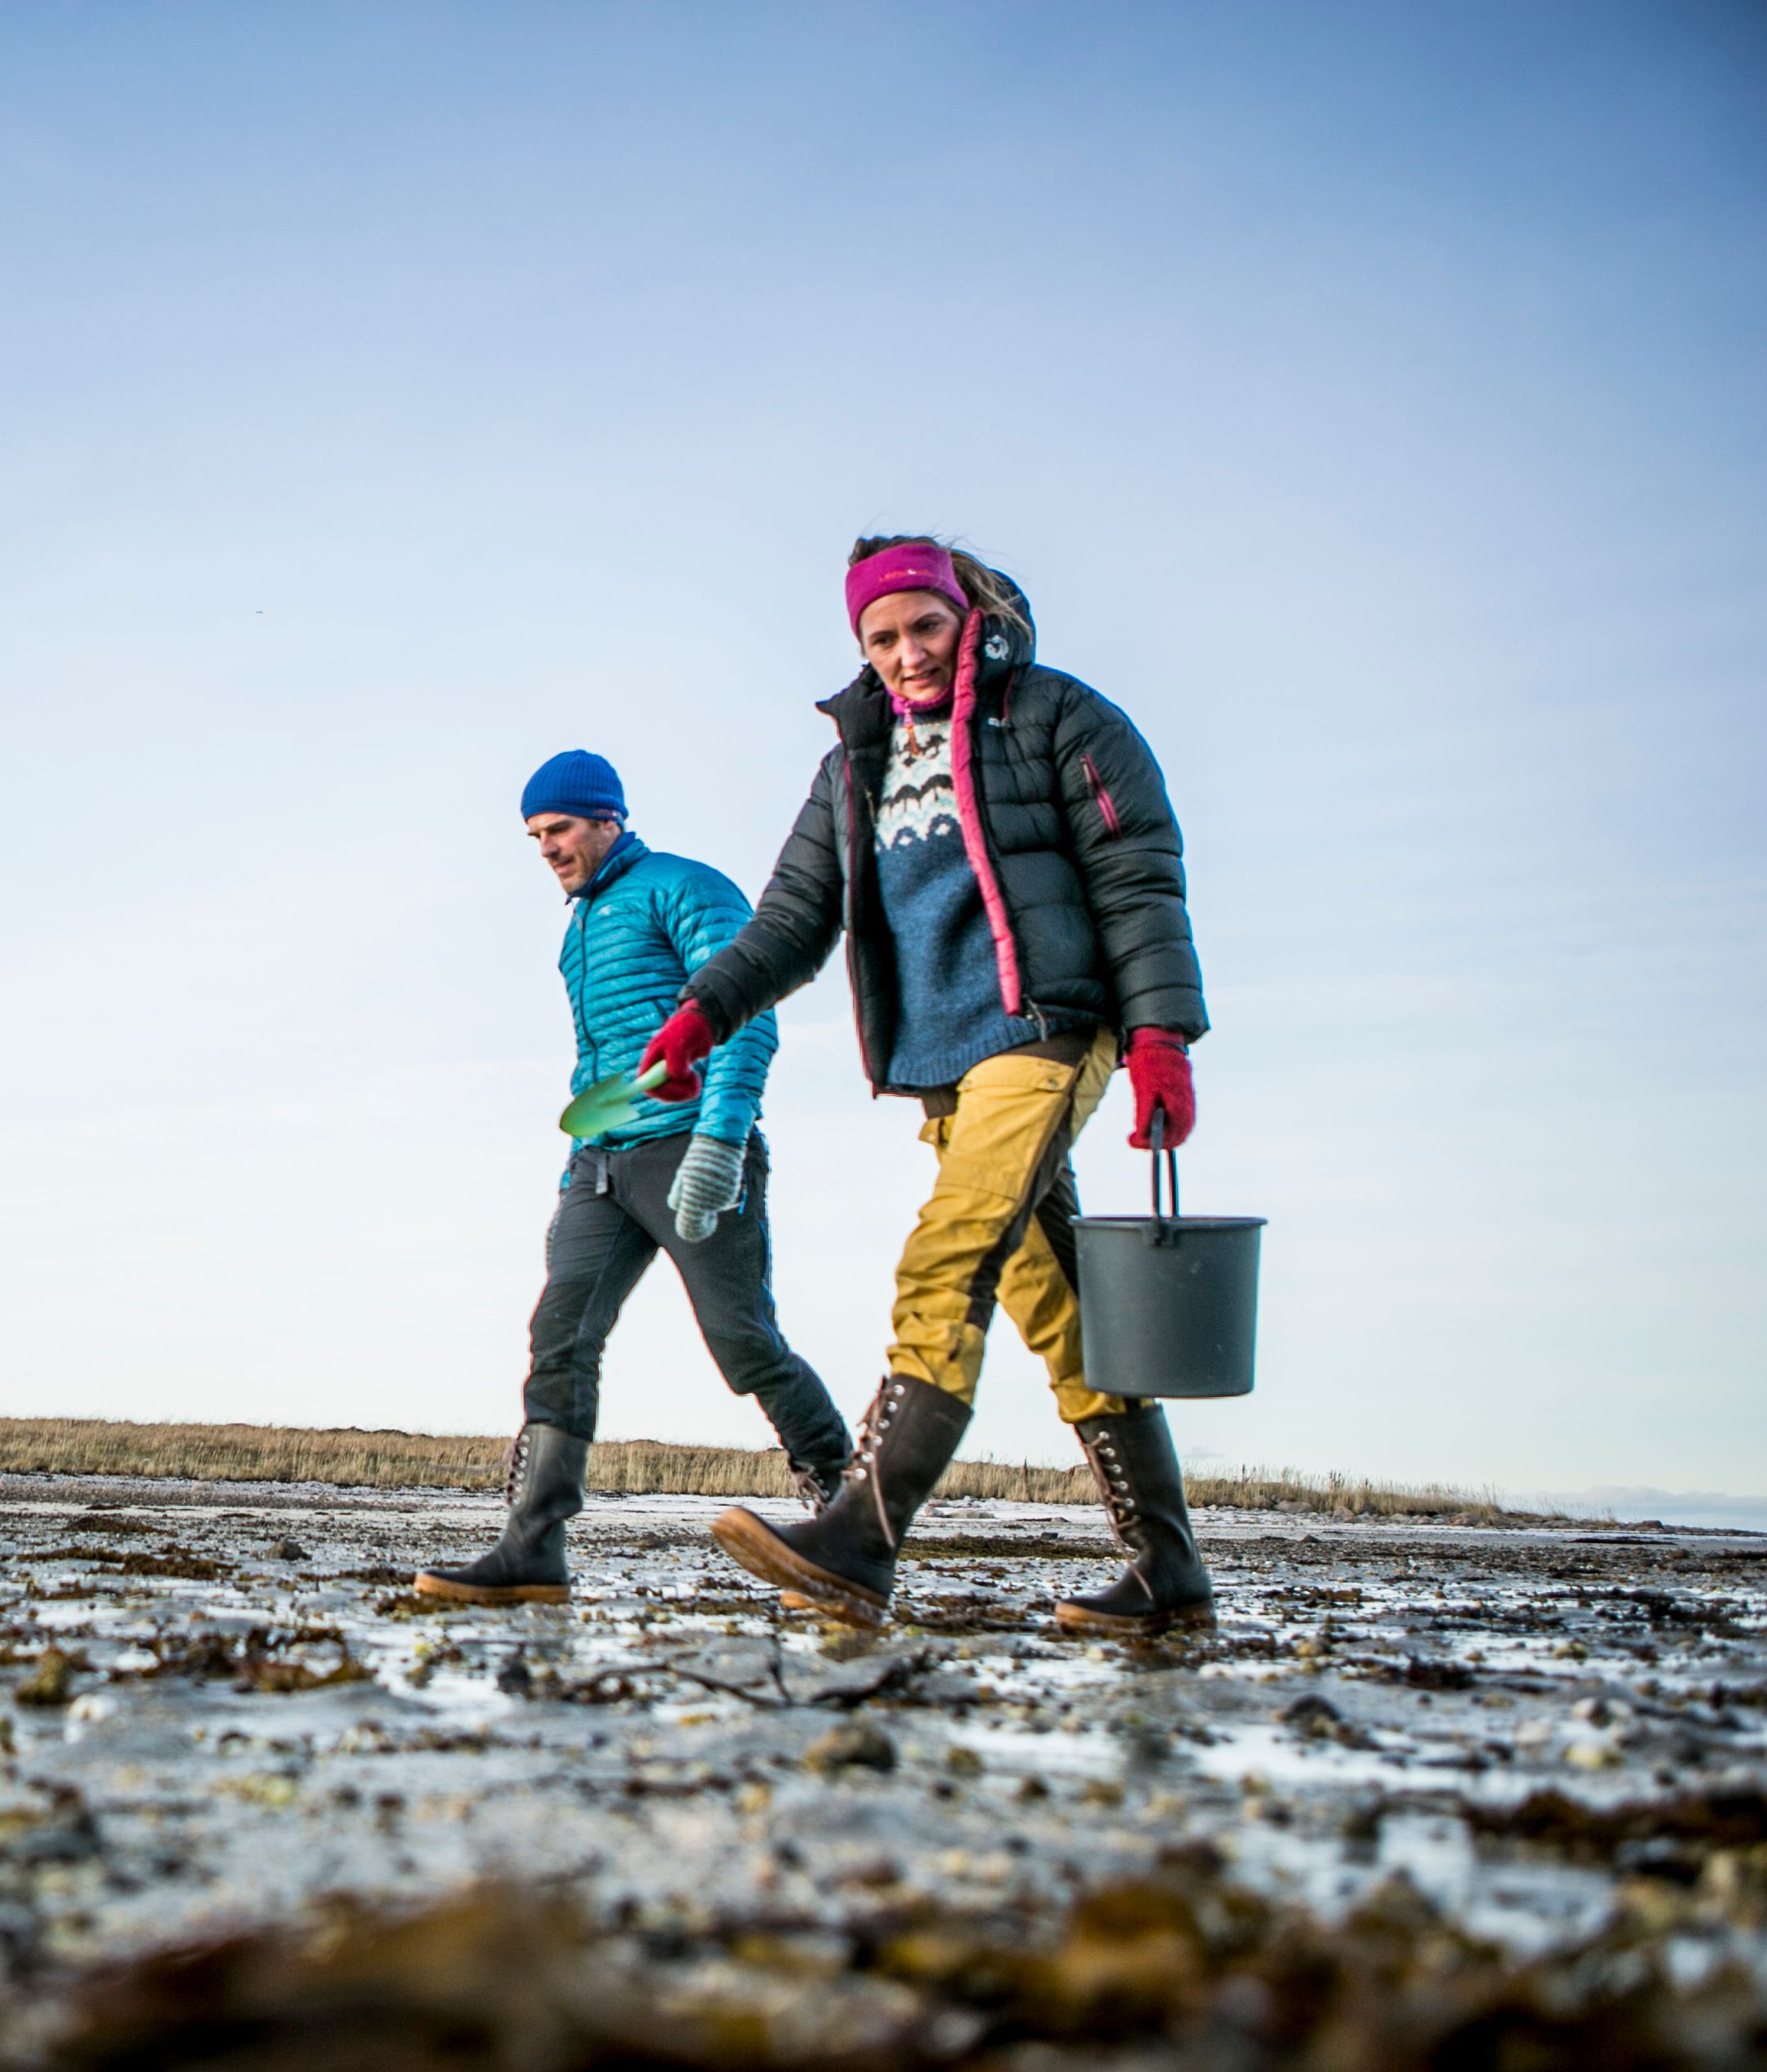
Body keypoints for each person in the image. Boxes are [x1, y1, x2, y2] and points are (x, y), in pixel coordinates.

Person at [635, 539, 1216, 1638]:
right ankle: (1167, 1572)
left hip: (1045, 1033)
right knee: (1061, 1311)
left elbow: (1137, 873)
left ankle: (861, 1535)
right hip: (944, 1069)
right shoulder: (853, 763)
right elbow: (793, 919)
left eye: (925, 628)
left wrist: (1159, 1037)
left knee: (946, 1256)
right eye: (881, 637)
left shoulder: (1055, 718)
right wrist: (704, 1010)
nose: (907, 654)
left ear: (968, 618)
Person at [415, 750, 850, 1606]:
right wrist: (584, 1145)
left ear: (608, 818)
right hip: (602, 1163)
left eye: (560, 828)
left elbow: (743, 1012)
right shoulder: (577, 927)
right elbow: (604, 1057)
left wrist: (721, 1141)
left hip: (691, 1146)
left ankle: (846, 1506)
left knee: (743, 1342)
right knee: (560, 1334)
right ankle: (533, 1545)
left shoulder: (683, 887)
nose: (546, 848)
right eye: (534, 836)